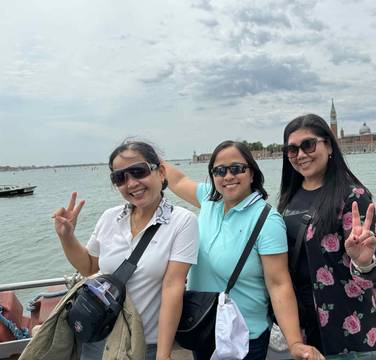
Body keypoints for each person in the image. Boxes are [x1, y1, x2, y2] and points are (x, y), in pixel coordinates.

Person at [164, 140, 324, 360]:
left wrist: (295, 342)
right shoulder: (210, 200)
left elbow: (279, 284)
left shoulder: (267, 221)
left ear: (252, 174)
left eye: (237, 168)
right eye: (219, 171)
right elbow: (178, 180)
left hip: (242, 338)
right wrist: (146, 158)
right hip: (202, 326)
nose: (228, 176)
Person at [52, 140, 199, 360]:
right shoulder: (110, 217)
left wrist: (163, 354)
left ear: (160, 173)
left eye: (138, 172)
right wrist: (67, 236)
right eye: (120, 178)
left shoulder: (182, 222)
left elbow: (173, 288)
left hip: (143, 344)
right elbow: (89, 267)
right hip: (98, 336)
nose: (131, 183)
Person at [278, 114, 376, 355]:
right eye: (292, 149)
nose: (301, 155)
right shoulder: (289, 196)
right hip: (299, 318)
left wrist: (363, 261)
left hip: (344, 320)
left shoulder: (353, 197)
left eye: (308, 145)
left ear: (328, 145)